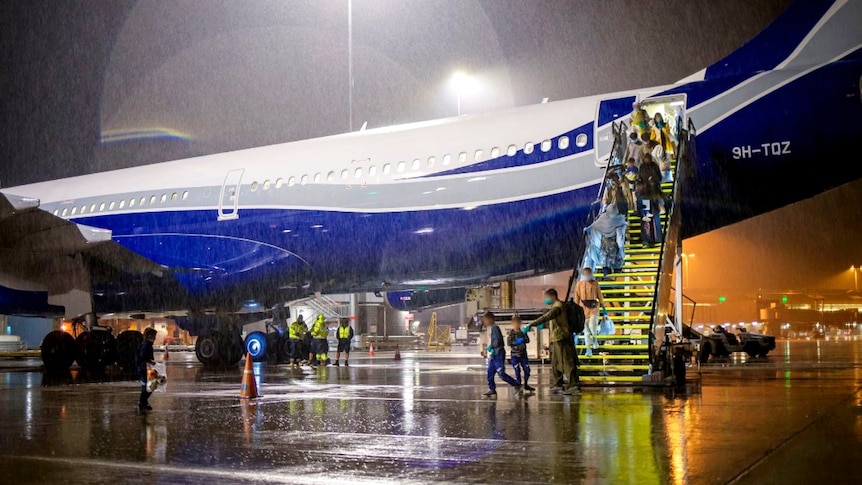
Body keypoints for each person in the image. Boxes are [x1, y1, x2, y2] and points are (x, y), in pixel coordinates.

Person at [524, 289, 578, 395]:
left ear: (552, 296)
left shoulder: (558, 306)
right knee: (555, 363)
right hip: (557, 338)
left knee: (566, 362)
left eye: (546, 297)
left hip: (562, 338)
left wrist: (531, 324)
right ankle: (558, 384)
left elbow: (547, 317)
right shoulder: (556, 306)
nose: (545, 300)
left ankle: (574, 385)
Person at [481, 311, 522, 398]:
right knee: (490, 372)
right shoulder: (492, 328)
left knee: (501, 373)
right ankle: (492, 389)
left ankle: (516, 384)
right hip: (494, 355)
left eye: (485, 319)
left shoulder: (495, 328)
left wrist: (491, 347)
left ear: (490, 319)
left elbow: (497, 341)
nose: (484, 322)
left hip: (498, 354)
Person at [575, 267, 606, 357]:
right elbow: (577, 297)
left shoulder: (595, 284)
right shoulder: (579, 284)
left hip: (593, 307)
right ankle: (588, 349)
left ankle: (595, 339)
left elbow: (599, 295)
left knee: (592, 325)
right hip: (583, 308)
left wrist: (603, 307)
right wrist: (576, 310)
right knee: (586, 331)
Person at [507, 315, 534, 393]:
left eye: (518, 322)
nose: (516, 324)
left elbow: (527, 340)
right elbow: (509, 343)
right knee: (517, 370)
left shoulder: (523, 332)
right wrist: (516, 342)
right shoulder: (511, 333)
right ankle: (518, 384)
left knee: (527, 370)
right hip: (515, 355)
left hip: (523, 354)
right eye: (515, 322)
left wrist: (523, 339)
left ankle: (526, 384)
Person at [137, 328, 157, 411]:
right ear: (149, 336)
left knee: (150, 386)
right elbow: (142, 357)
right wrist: (150, 362)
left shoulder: (147, 344)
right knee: (148, 387)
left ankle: (144, 402)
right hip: (145, 368)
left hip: (147, 368)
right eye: (154, 336)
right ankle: (142, 403)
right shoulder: (146, 345)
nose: (155, 338)